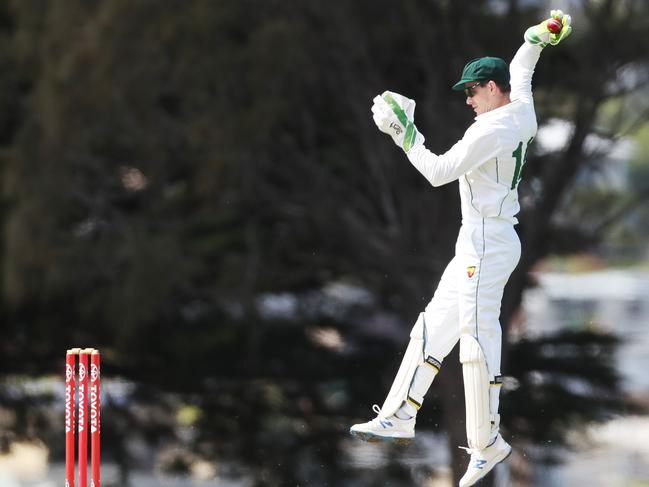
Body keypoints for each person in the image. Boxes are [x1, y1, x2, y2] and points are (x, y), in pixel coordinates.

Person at [349, 10, 572, 487]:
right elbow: (524, 65)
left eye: (472, 91)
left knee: (474, 340)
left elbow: (436, 171)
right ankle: (398, 414)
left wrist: (403, 132)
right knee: (431, 328)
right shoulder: (521, 106)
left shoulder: (491, 130)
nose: (468, 100)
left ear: (492, 89)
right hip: (479, 241)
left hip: (488, 242)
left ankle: (488, 442)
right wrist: (539, 35)